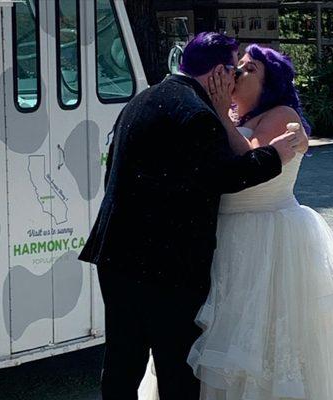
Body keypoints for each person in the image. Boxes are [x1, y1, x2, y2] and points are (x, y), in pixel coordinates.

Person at [78, 32, 304, 400]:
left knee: (122, 362)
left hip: (117, 254)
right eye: (234, 68)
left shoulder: (142, 100)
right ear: (219, 72)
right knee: (176, 369)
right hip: (166, 264)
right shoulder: (196, 113)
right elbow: (225, 176)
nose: (235, 77)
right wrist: (273, 156)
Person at [139, 44, 333, 400]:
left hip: (270, 237)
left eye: (248, 69)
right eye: (237, 67)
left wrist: (217, 112)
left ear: (268, 82)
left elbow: (254, 163)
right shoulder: (231, 119)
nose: (236, 73)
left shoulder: (281, 114)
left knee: (265, 342)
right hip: (227, 236)